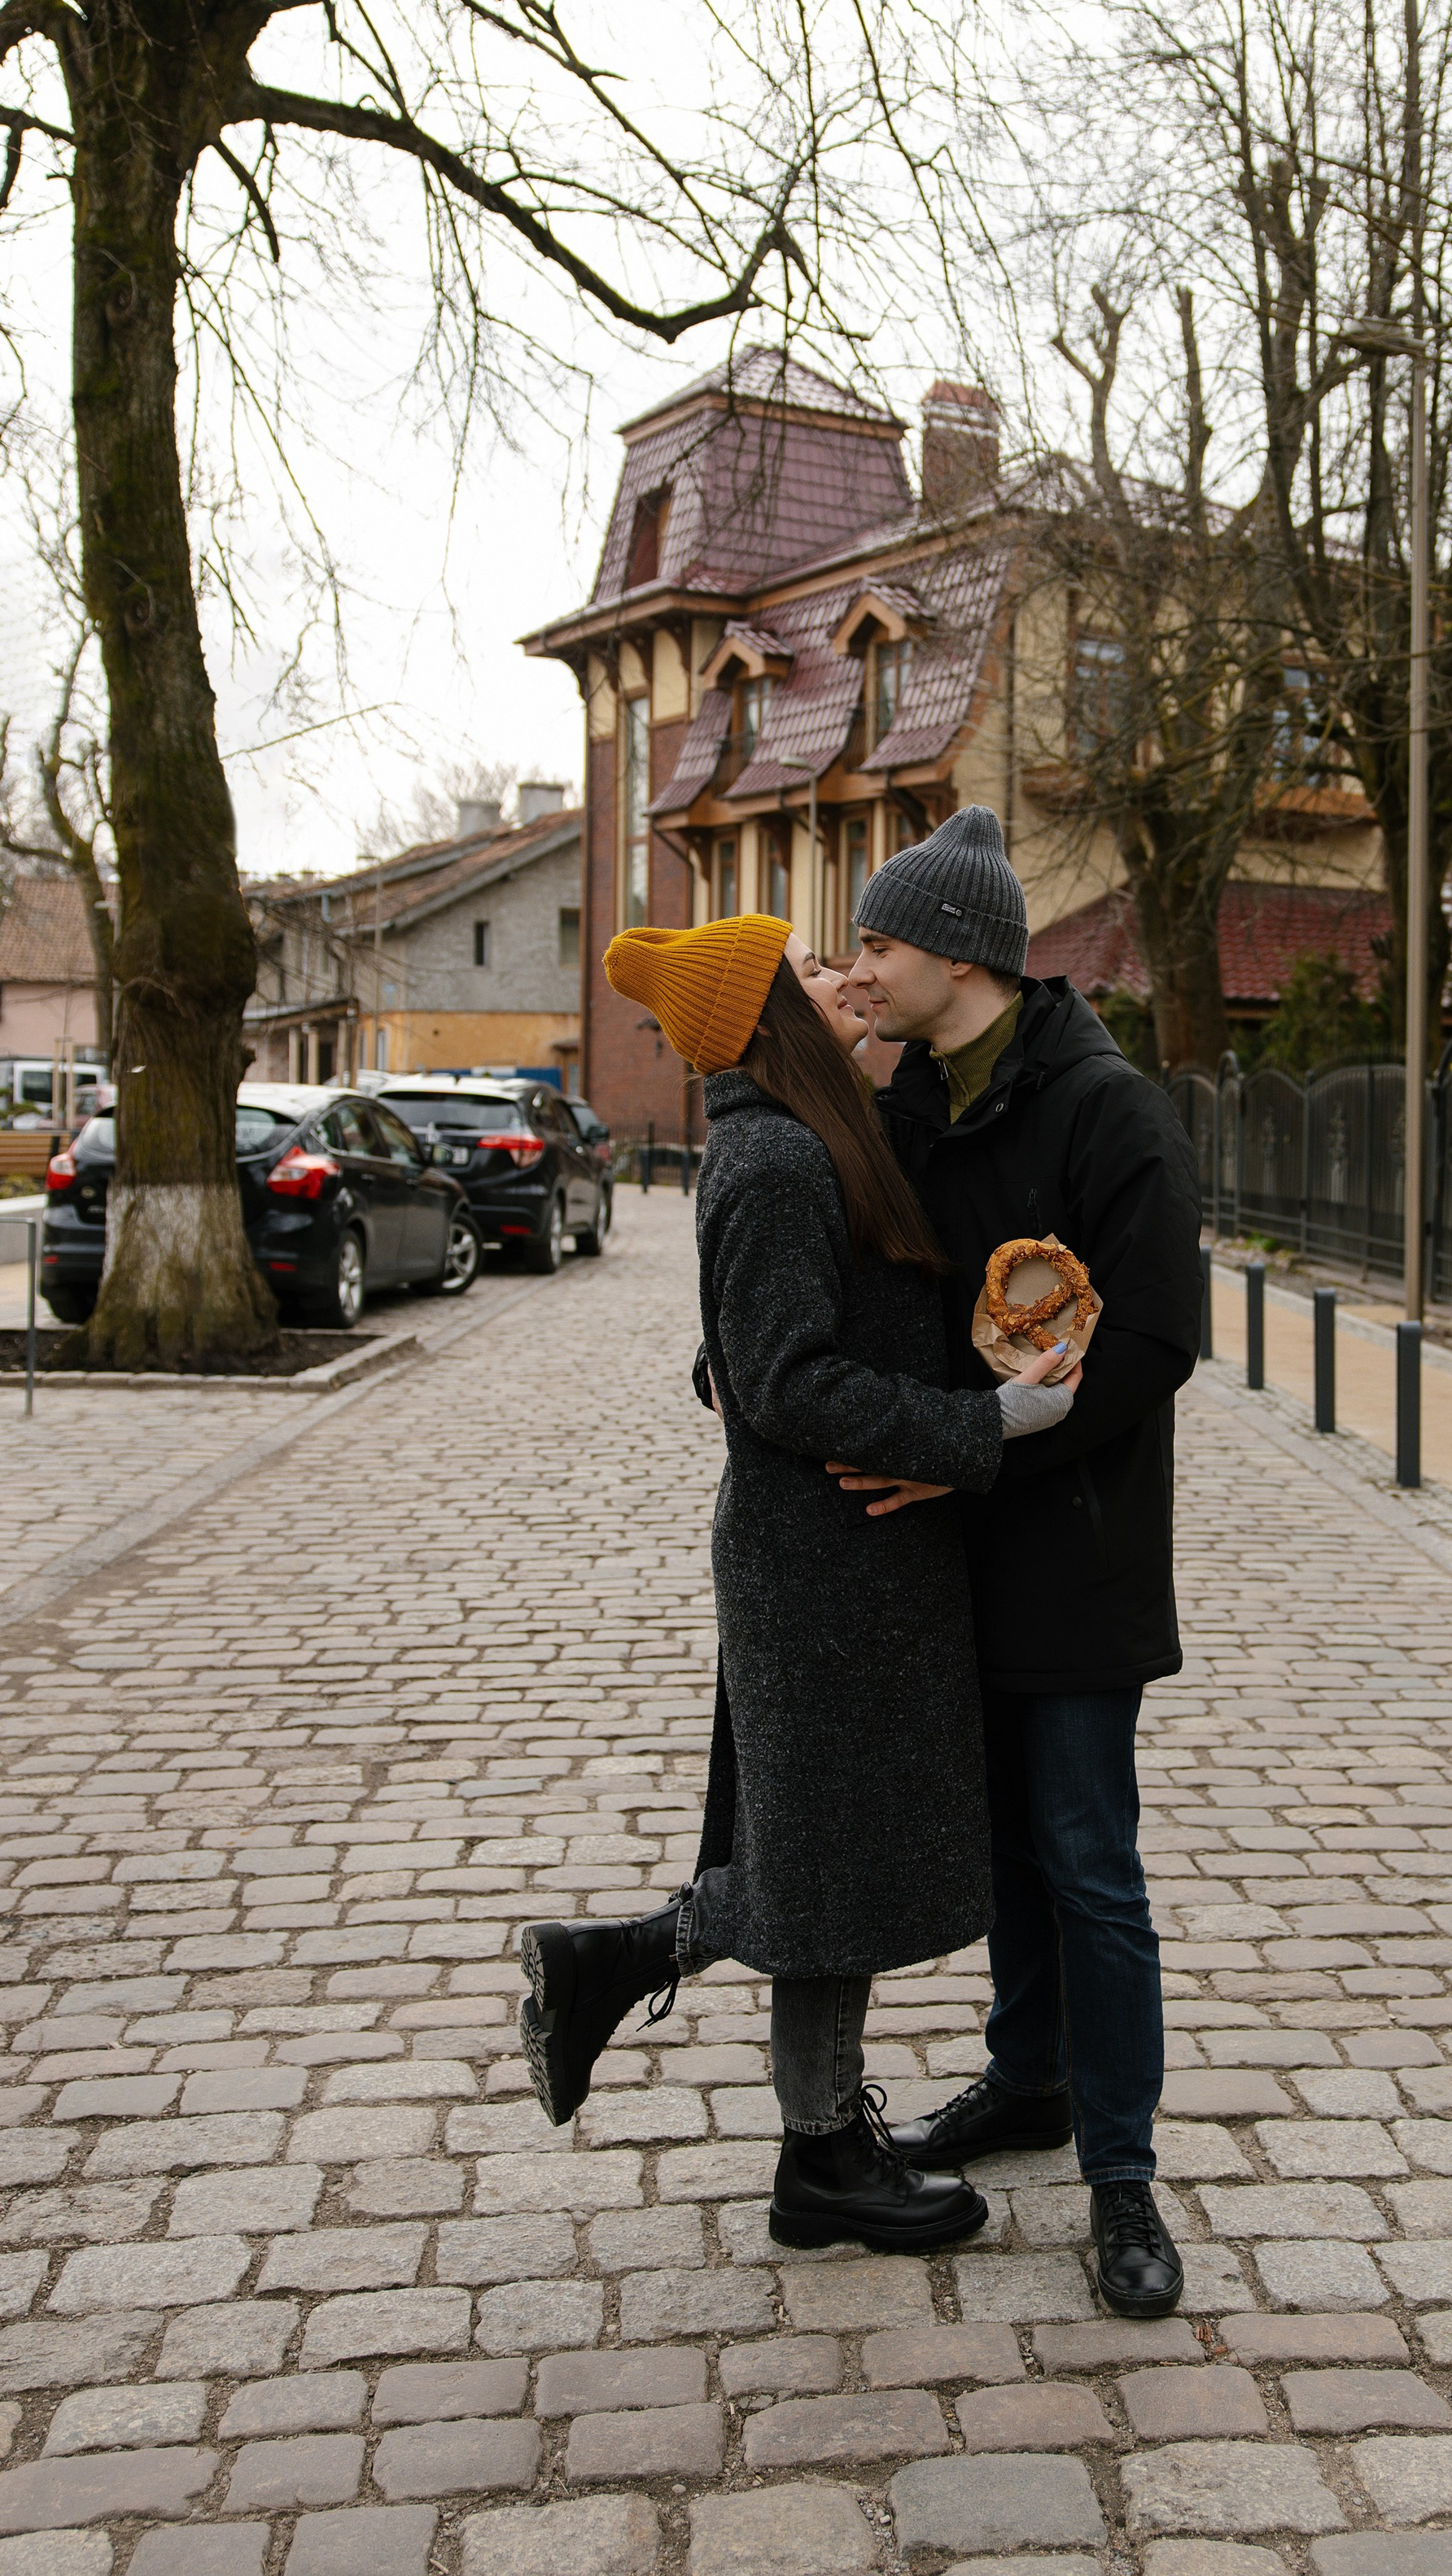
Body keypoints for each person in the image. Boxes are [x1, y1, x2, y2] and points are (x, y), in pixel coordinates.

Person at [515, 911, 1079, 2255]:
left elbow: (755, 1346)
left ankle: (794, 2123)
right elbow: (785, 1380)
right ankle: (802, 2138)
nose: (845, 980)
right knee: (827, 1864)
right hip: (822, 1566)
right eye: (814, 974)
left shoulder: (813, 1136)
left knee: (834, 1859)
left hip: (857, 1561)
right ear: (772, 1016)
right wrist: (983, 1428)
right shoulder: (774, 1155)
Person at [838, 805, 1203, 2318]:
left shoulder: (1106, 1111)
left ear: (961, 956)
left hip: (1075, 1549)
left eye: (875, 943)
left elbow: (1157, 1347)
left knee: (1090, 1865)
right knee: (1006, 1854)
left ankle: (1122, 2176)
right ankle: (1027, 2081)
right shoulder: (913, 1099)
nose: (856, 968)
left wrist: (969, 1445)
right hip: (946, 1555)